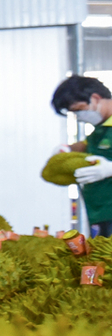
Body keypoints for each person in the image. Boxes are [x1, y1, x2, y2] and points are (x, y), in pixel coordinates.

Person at [50, 75, 112, 236]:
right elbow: (88, 145)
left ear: (95, 98)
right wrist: (67, 149)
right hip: (100, 213)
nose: (79, 117)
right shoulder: (102, 128)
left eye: (78, 110)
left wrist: (109, 169)